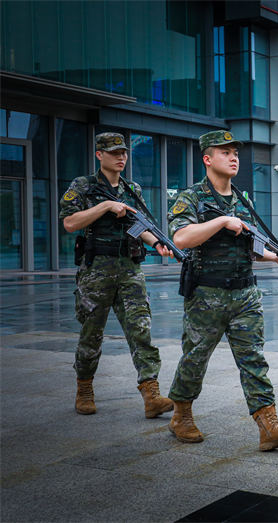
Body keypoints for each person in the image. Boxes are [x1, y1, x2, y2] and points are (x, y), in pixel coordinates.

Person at [166, 130, 278, 451]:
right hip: (206, 295)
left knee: (253, 358)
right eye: (225, 152)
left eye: (236, 153)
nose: (233, 158)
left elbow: (252, 245)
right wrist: (221, 222)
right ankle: (181, 414)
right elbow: (182, 238)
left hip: (245, 293)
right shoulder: (190, 198)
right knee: (195, 357)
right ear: (207, 158)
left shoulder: (244, 201)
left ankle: (268, 424)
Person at [59, 132, 174, 418]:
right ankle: (84, 389)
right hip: (96, 270)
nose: (121, 157)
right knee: (91, 333)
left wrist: (157, 242)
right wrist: (106, 206)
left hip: (129, 269)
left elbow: (137, 225)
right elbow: (70, 223)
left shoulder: (131, 188)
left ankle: (151, 394)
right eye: (114, 153)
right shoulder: (83, 186)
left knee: (141, 330)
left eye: (123, 152)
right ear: (99, 155)